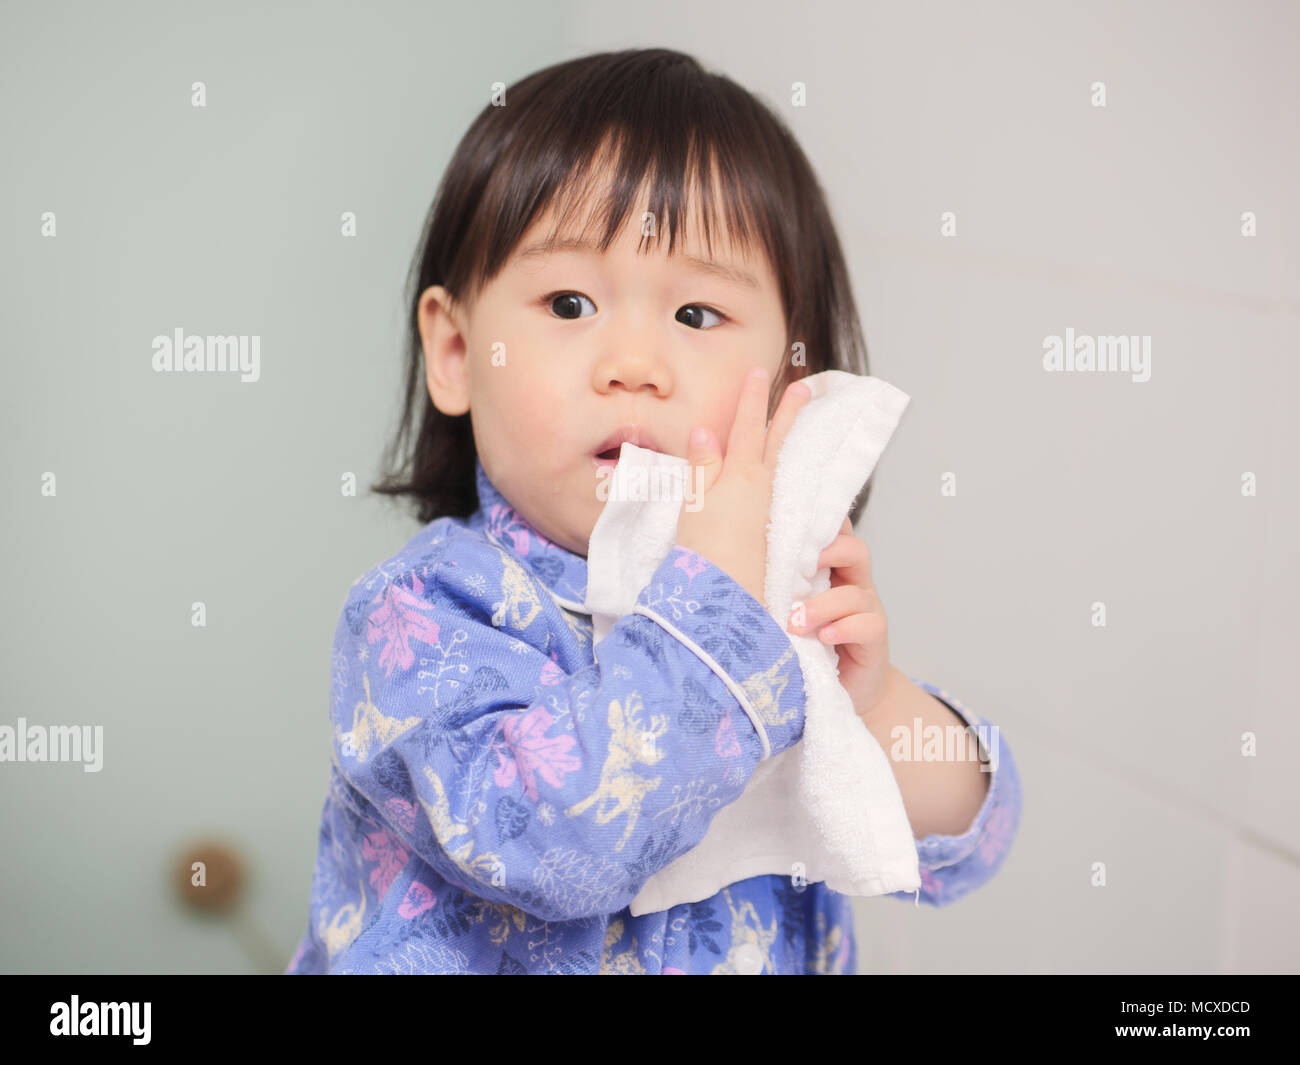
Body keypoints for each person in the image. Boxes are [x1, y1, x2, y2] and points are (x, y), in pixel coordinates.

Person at [286, 47, 1021, 975]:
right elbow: (556, 842)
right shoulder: (422, 618)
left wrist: (871, 704)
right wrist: (711, 607)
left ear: (791, 378)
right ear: (458, 350)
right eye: (569, 301)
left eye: (697, 317)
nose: (634, 362)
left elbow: (972, 844)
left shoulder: (773, 611)